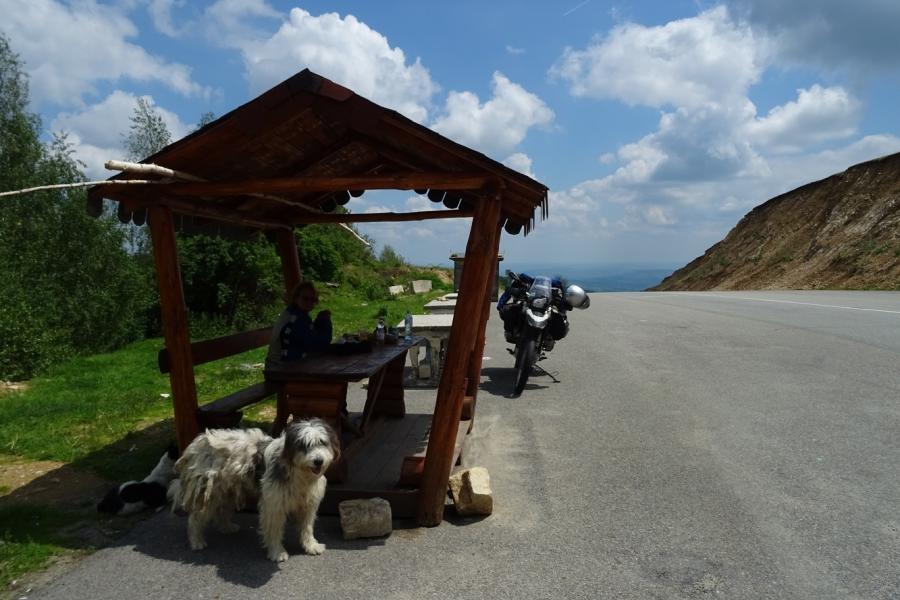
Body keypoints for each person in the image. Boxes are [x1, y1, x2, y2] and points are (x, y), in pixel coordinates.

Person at [265, 281, 333, 368]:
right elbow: (320, 344)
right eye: (305, 298)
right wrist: (325, 321)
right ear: (296, 298)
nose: (309, 302)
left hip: (280, 366)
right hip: (280, 369)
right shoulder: (295, 319)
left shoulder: (294, 313)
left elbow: (309, 337)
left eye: (313, 299)